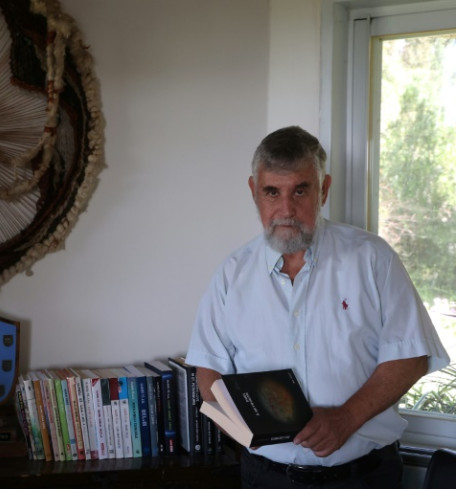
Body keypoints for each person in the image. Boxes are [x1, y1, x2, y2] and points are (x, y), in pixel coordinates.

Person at [185, 126, 450, 488]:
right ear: (254, 191)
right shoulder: (232, 275)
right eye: (272, 192)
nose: (286, 209)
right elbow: (209, 372)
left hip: (363, 478)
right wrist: (246, 435)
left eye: (300, 190)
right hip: (266, 478)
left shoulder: (373, 259)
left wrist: (346, 418)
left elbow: (412, 356)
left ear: (323, 189)